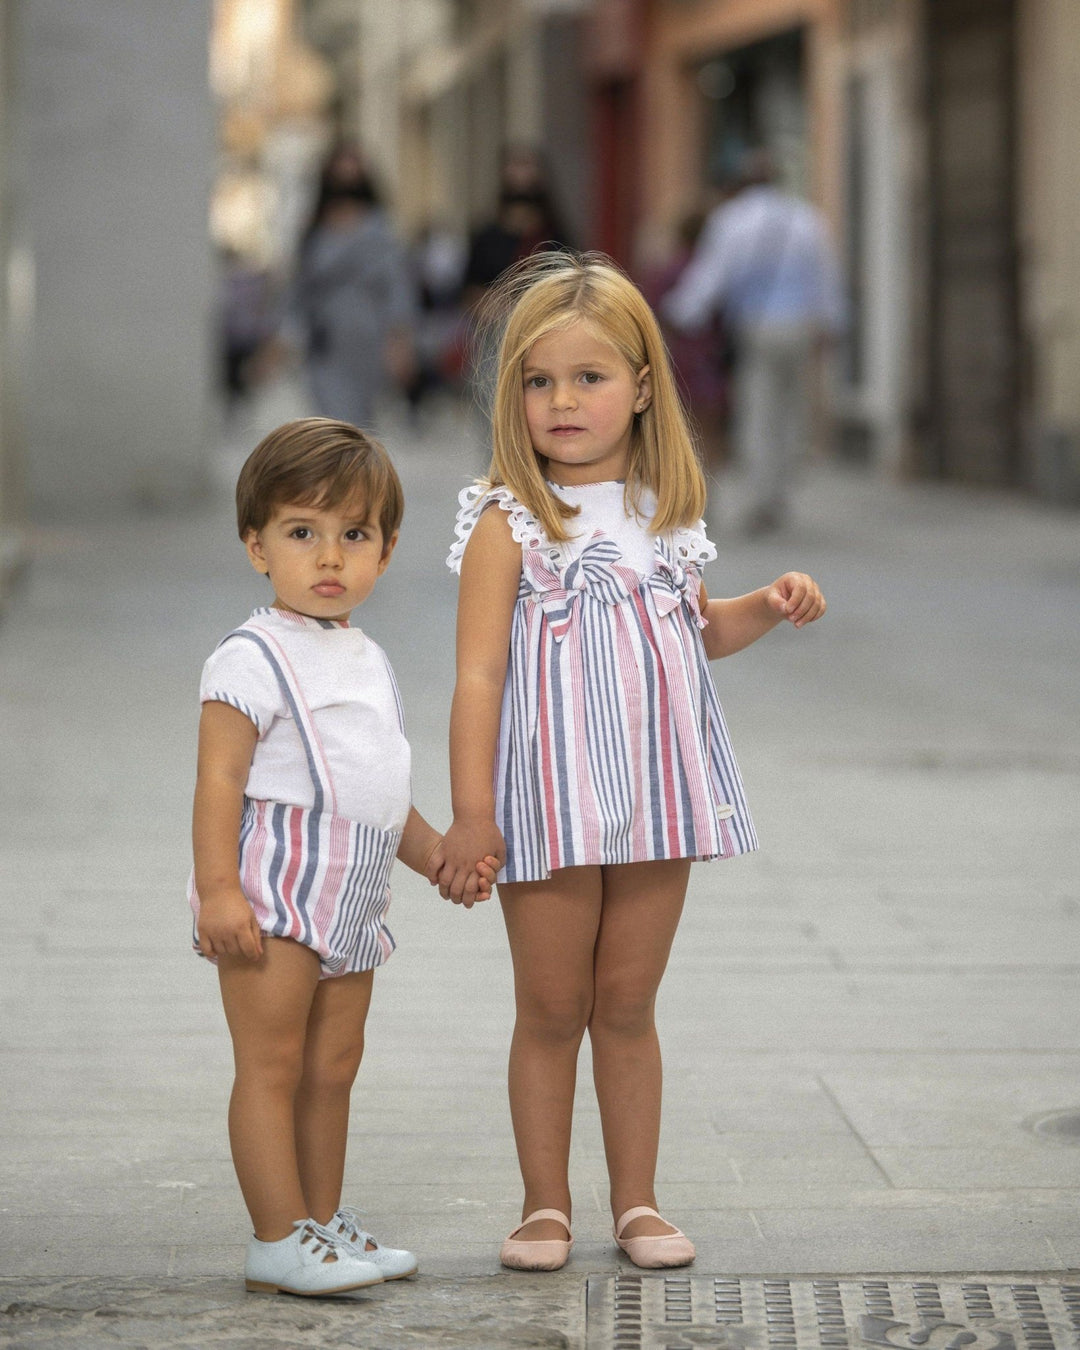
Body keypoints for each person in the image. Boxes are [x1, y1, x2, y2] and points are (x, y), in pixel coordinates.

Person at [438, 252, 825, 1271]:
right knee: (552, 1005)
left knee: (628, 1003)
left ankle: (640, 1204)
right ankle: (543, 1206)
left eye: (590, 377)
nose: (562, 401)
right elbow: (478, 677)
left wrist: (766, 607)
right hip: (552, 799)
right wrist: (471, 814)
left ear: (644, 386)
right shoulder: (506, 525)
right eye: (537, 380)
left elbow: (696, 634)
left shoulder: (665, 514)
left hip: (656, 793)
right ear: (512, 394)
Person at [188, 418, 495, 1297]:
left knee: (333, 1066)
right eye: (301, 532)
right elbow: (218, 785)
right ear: (257, 546)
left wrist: (438, 854)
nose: (330, 556)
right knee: (273, 1064)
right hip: (276, 892)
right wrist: (219, 893)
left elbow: (376, 790)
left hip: (353, 897)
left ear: (386, 552)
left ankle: (320, 1227)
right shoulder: (249, 658)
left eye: (353, 535)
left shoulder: (367, 659)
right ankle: (274, 1236)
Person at [663, 149, 845, 534]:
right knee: (791, 408)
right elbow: (825, 275)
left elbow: (711, 276)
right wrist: (831, 322)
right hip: (798, 326)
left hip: (756, 326)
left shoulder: (732, 220)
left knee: (758, 410)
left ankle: (761, 496)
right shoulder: (806, 218)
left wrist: (679, 313)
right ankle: (779, 489)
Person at [290, 164, 416, 430]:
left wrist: (399, 339)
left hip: (368, 339)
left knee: (358, 423)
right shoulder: (314, 234)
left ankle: (353, 470)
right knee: (329, 418)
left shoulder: (380, 233)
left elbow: (397, 287)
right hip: (324, 341)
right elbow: (298, 291)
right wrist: (283, 336)